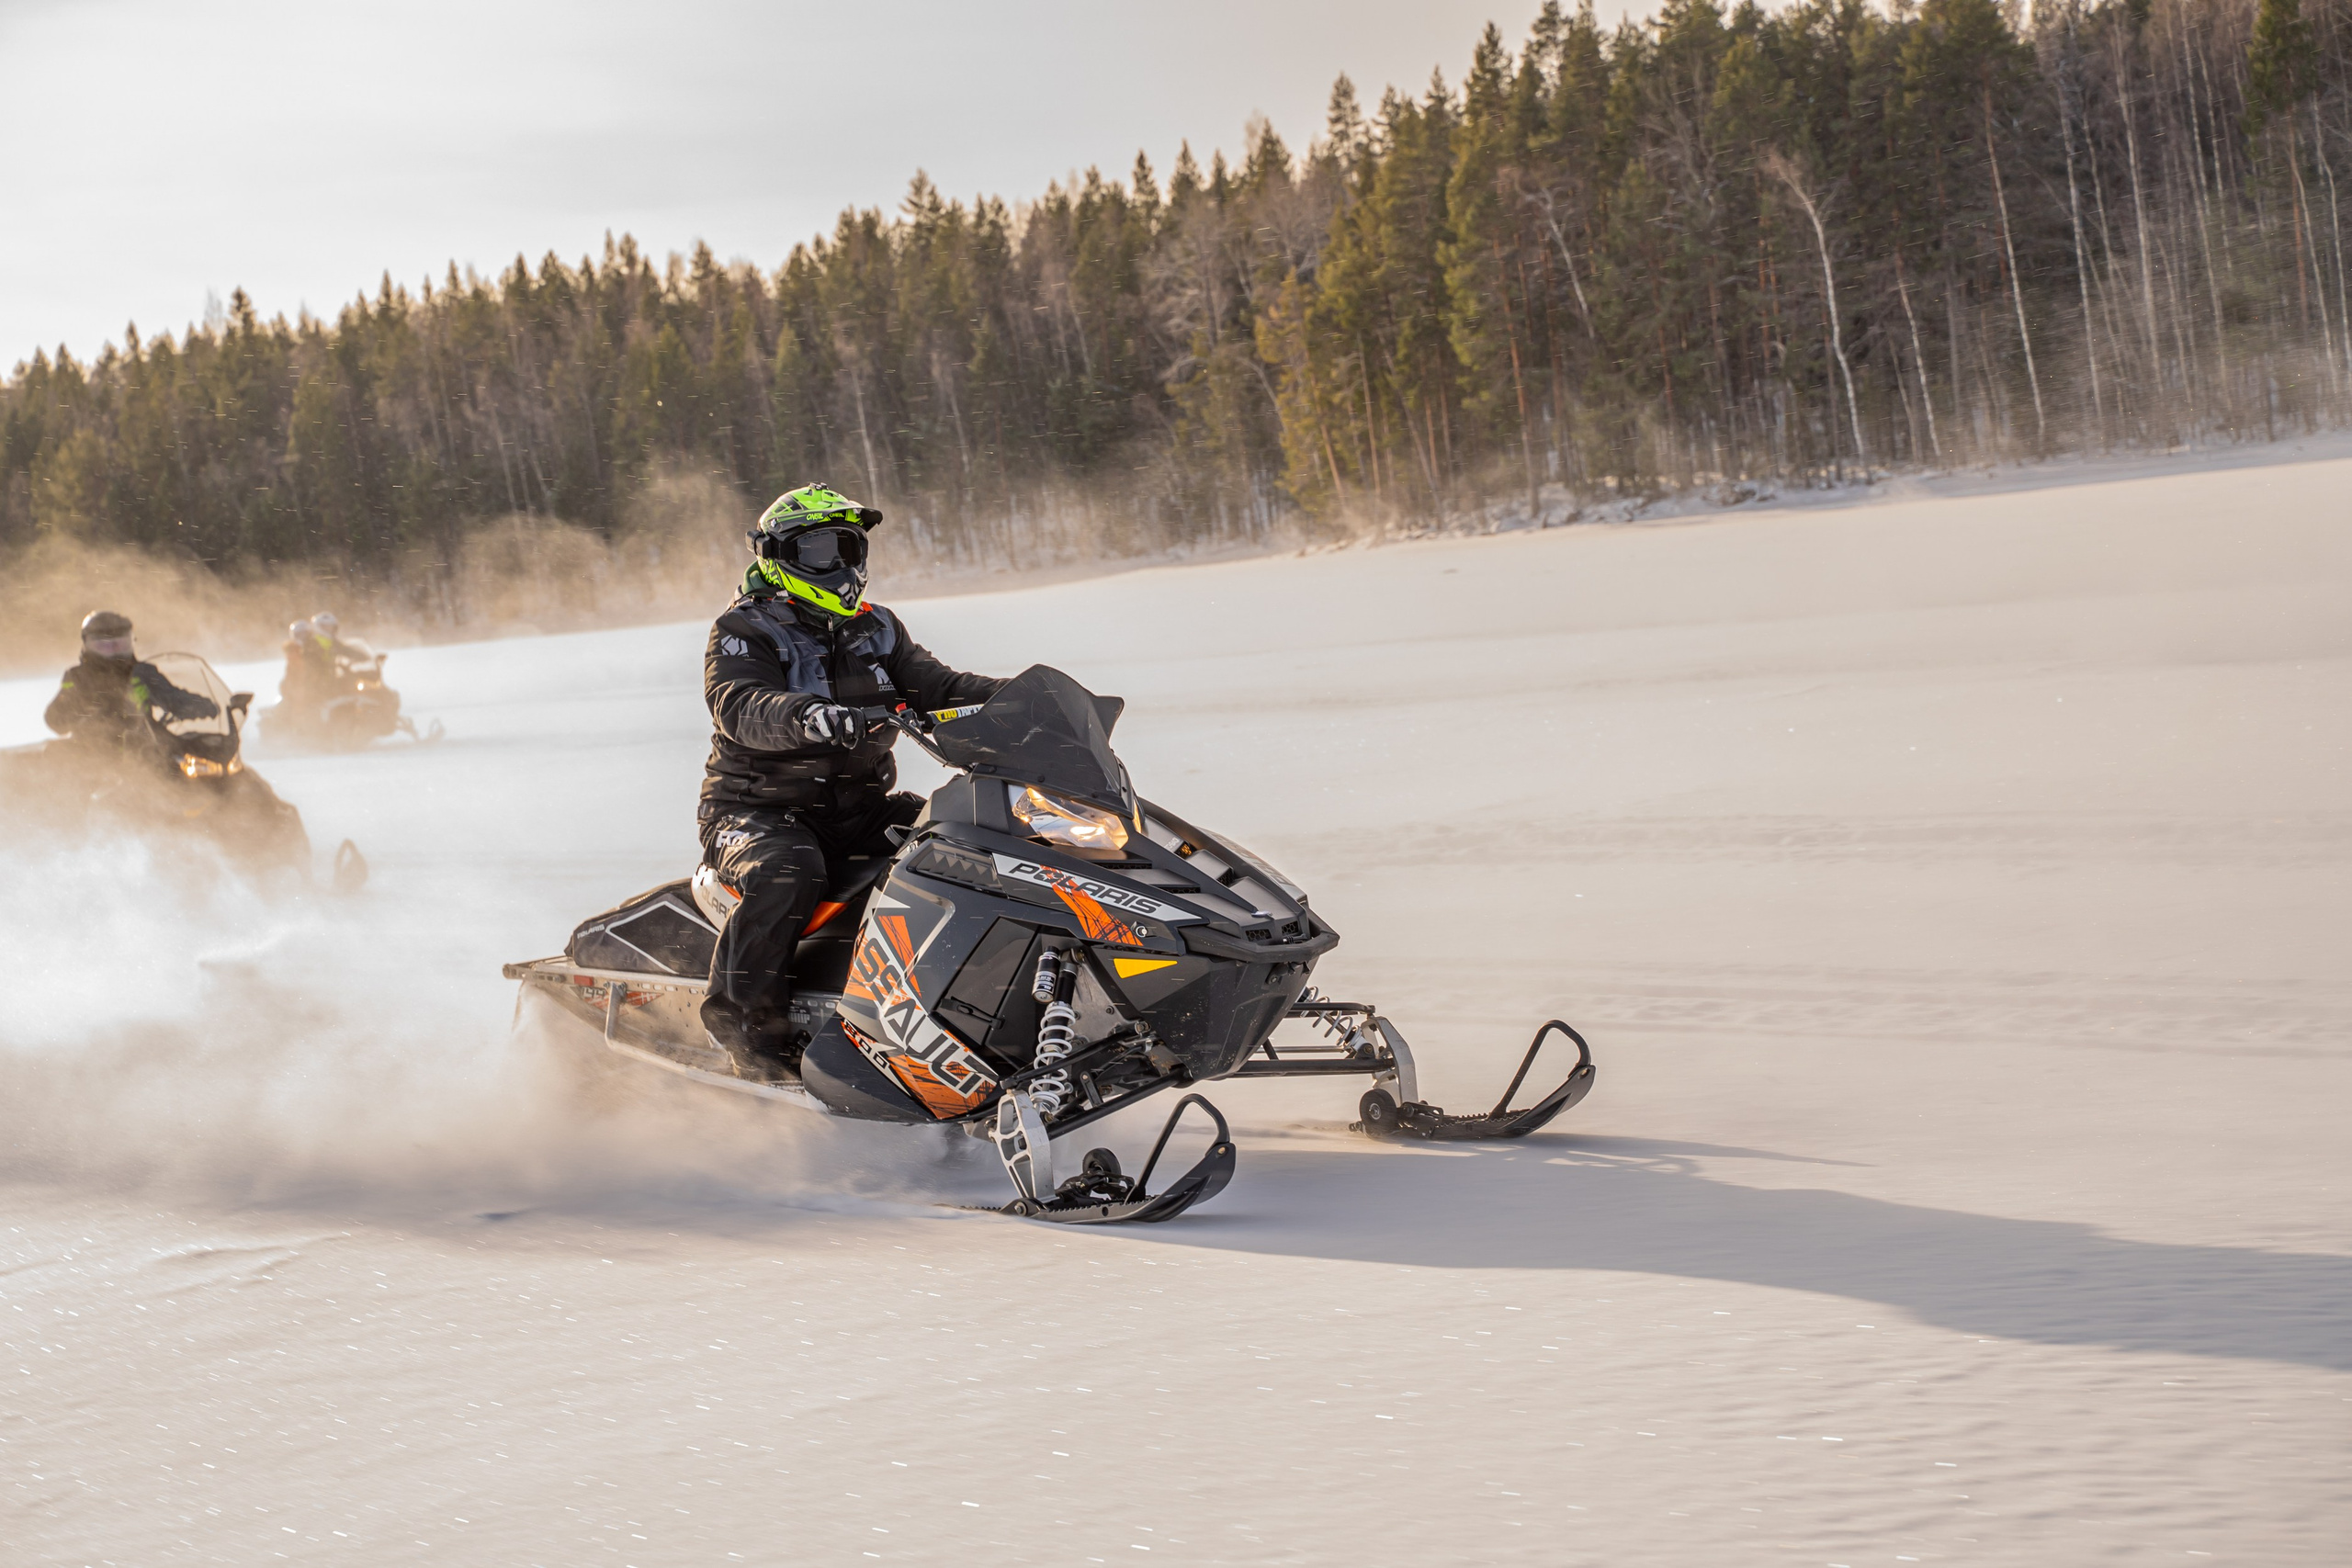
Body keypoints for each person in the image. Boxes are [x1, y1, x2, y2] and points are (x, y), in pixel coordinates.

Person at [697, 482, 1005, 1074]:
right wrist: (806, 715)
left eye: (848, 548)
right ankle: (746, 1033)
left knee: (964, 833)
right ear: (780, 558)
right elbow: (739, 704)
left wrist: (1021, 698)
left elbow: (939, 686)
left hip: (858, 807)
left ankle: (955, 1008)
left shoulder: (877, 627)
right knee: (788, 871)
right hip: (755, 810)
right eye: (820, 551)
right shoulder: (745, 629)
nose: (838, 566)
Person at [44, 610, 218, 757]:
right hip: (95, 752)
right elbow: (55, 717)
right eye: (104, 646)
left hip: (146, 746)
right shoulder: (78, 676)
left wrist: (204, 705)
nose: (113, 652)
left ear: (131, 641)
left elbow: (172, 695)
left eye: (119, 645)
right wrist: (90, 718)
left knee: (201, 754)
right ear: (87, 644)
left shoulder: (143, 673)